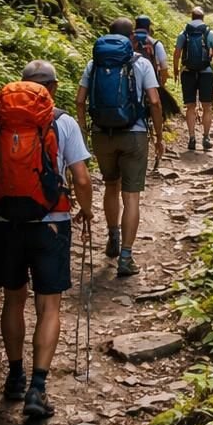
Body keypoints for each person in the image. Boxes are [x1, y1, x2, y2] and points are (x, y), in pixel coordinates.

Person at [0, 60, 93, 421]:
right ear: (51, 87)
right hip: (51, 222)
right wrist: (87, 211)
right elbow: (81, 177)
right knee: (49, 305)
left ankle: (14, 376)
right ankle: (38, 387)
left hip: (6, 222)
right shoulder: (62, 121)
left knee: (12, 300)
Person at [75, 17, 163, 278]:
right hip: (134, 134)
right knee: (131, 196)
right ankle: (126, 256)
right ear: (133, 39)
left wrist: (84, 130)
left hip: (103, 134)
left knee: (111, 185)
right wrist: (158, 136)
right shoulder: (142, 63)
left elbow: (80, 100)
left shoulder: (95, 64)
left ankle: (112, 235)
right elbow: (155, 102)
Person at [173, 6, 213, 152]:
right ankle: (206, 137)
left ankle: (192, 138)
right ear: (203, 18)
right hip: (206, 72)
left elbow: (177, 53)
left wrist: (175, 69)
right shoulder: (209, 33)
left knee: (190, 107)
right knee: (207, 106)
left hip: (187, 72)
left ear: (191, 17)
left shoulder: (184, 34)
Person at [133, 14, 169, 87]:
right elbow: (164, 68)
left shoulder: (128, 41)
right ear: (149, 28)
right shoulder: (156, 44)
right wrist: (162, 83)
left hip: (130, 82)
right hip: (150, 83)